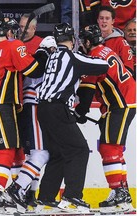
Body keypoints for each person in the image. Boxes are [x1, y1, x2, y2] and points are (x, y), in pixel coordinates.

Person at [0, 17, 48, 214]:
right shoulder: (13, 45)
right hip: (0, 103)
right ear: (9, 32)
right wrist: (43, 53)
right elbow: (34, 70)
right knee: (7, 149)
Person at [36, 22, 109, 213]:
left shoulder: (53, 56)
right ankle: (72, 198)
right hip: (58, 108)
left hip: (42, 108)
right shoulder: (72, 56)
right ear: (73, 40)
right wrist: (95, 52)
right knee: (79, 150)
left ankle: (45, 198)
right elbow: (103, 65)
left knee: (59, 153)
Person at [77, 24, 136, 214]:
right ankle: (122, 192)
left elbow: (87, 91)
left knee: (109, 147)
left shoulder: (93, 58)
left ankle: (119, 194)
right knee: (113, 147)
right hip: (123, 101)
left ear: (87, 41)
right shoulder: (106, 50)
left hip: (120, 104)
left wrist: (80, 111)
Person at [7, 36, 57, 214]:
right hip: (34, 106)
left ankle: (30, 193)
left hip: (28, 107)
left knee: (33, 156)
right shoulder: (43, 59)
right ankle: (17, 188)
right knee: (41, 154)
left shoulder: (34, 58)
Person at [97, 6, 134, 78]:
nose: (104, 21)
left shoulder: (121, 42)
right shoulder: (92, 41)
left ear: (113, 21)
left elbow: (129, 69)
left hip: (115, 86)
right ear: (98, 20)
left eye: (107, 18)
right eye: (101, 18)